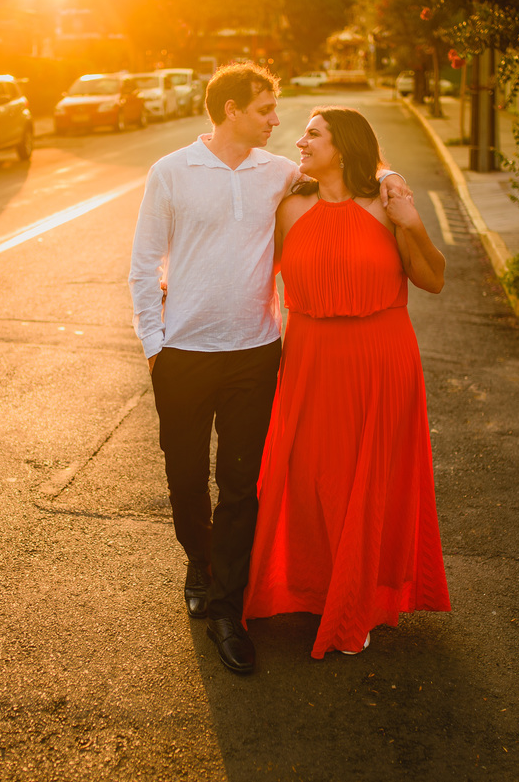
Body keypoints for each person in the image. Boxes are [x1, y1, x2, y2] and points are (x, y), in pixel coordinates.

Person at [128, 67, 410, 675]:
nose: (276, 122)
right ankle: (200, 561)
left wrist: (391, 179)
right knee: (184, 478)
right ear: (231, 110)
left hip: (255, 352)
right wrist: (154, 344)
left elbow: (354, 169)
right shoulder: (171, 172)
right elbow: (144, 263)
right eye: (265, 110)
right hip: (182, 352)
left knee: (240, 483)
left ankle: (227, 608)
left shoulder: (279, 173)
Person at [241, 106, 451, 659]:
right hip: (310, 357)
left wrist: (411, 222)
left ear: (344, 147)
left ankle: (355, 601)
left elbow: (432, 279)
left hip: (381, 357)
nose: (300, 141)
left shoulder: (386, 205)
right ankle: (317, 587)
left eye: (313, 134)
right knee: (315, 476)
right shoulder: (290, 207)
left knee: (370, 482)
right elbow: (252, 270)